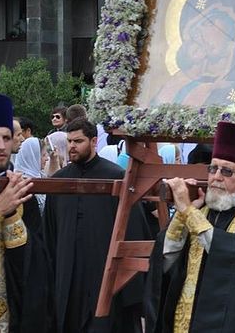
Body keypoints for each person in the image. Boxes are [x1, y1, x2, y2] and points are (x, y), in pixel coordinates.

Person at [144, 121, 235, 332]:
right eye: (213, 168)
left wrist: (188, 212)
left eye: (227, 171)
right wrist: (182, 217)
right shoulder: (200, 210)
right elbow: (167, 260)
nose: (216, 177)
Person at [44, 117, 151, 332]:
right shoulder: (59, 181)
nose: (72, 146)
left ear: (94, 141)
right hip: (68, 276)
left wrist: (131, 293)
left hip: (104, 275)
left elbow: (134, 231)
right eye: (69, 141)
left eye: (78, 141)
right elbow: (49, 234)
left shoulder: (116, 177)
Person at [0, 94, 52, 333]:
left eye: (6, 138)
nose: (1, 146)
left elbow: (35, 262)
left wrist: (13, 216)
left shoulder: (22, 192)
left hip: (14, 312)